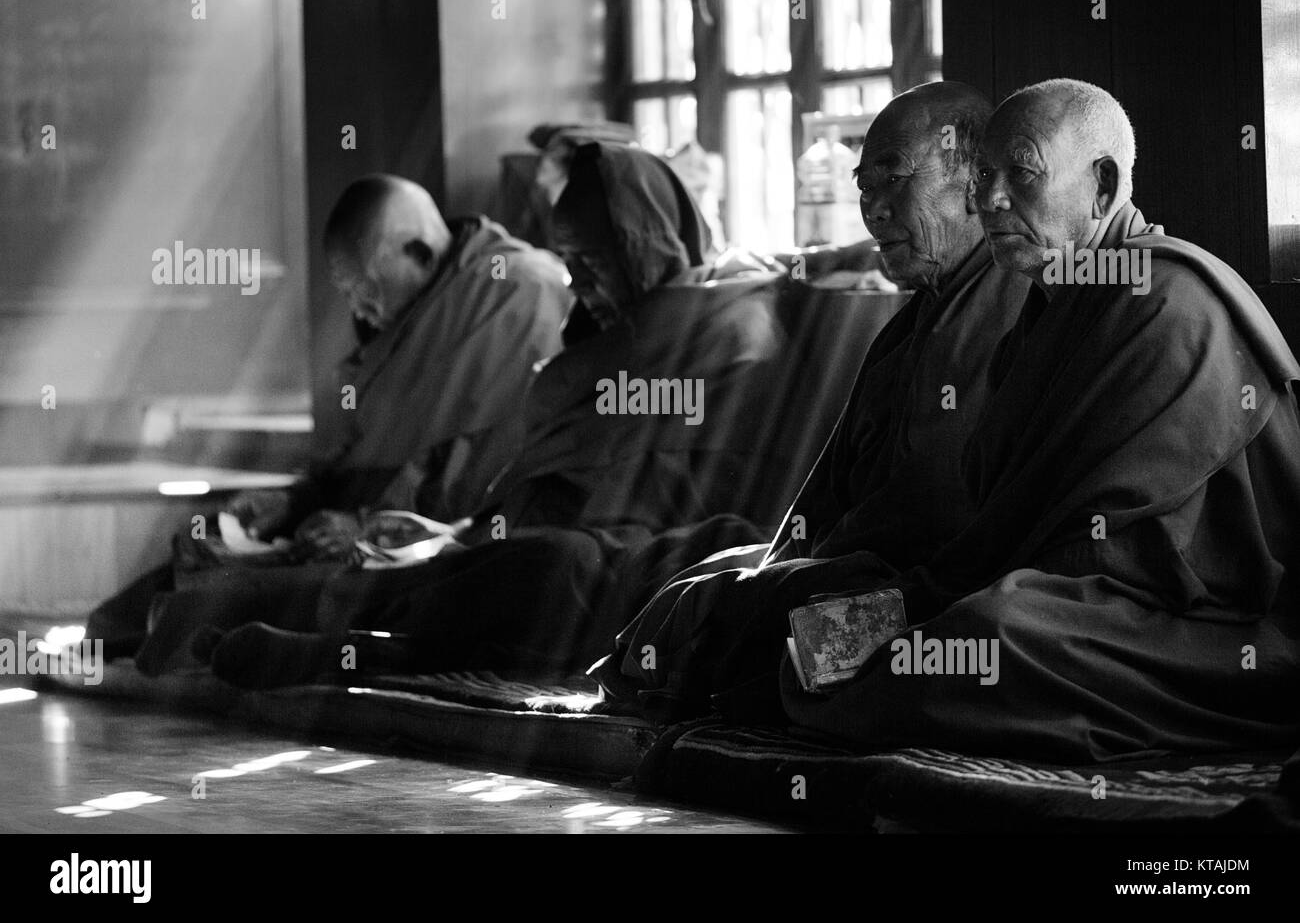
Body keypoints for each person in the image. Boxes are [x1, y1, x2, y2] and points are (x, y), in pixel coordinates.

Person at [781, 79, 1300, 761]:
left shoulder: (1168, 304)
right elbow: (1000, 519)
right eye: (986, 175)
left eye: (1021, 173)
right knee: (837, 630)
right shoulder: (1046, 317)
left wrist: (967, 595)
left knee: (989, 637)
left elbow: (1131, 551)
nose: (990, 199)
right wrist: (919, 597)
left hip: (1205, 618)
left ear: (1102, 186)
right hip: (1076, 594)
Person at [141, 140, 786, 686]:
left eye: (593, 264)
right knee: (458, 569)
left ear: (652, 241)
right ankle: (253, 617)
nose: (580, 287)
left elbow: (710, 482)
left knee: (535, 570)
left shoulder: (730, 327)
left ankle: (330, 651)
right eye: (574, 265)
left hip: (633, 553)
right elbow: (533, 465)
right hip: (525, 536)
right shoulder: (602, 340)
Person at [588, 81, 1031, 720]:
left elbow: (939, 510)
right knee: (704, 580)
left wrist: (795, 571)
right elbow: (836, 492)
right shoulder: (917, 322)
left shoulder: (1012, 304)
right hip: (879, 566)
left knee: (763, 618)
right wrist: (779, 562)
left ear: (973, 182)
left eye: (893, 179)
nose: (873, 211)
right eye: (863, 187)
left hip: (948, 594)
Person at [87, 174, 571, 658]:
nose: (360, 309)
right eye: (348, 294)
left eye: (367, 290)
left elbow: (493, 458)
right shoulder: (410, 311)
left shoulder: (517, 292)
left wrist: (365, 524)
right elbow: (362, 446)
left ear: (418, 253)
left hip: (436, 541)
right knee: (184, 569)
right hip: (353, 527)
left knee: (215, 603)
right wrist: (297, 500)